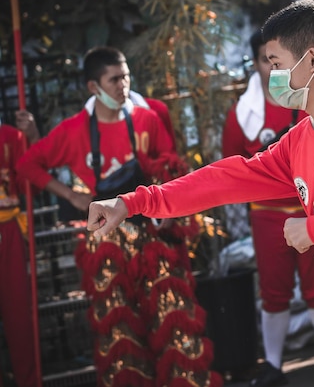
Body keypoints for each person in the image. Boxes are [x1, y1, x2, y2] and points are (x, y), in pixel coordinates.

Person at [87, 0, 314, 387]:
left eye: (275, 63)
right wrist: (133, 202)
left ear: (310, 62)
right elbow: (226, 179)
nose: (270, 74)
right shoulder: (303, 138)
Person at [16, 46, 222, 387]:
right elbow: (28, 164)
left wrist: (168, 206)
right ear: (93, 87)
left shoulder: (147, 119)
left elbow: (170, 168)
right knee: (120, 337)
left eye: (125, 76)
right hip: (105, 246)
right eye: (113, 79)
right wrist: (69, 195)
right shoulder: (73, 131)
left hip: (153, 239)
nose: (122, 85)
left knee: (175, 324)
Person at [222, 29, 314, 387]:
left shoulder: (308, 97)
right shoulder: (242, 112)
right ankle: (272, 364)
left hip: (309, 209)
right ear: (254, 63)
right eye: (264, 60)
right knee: (273, 291)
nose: (272, 67)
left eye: (277, 59)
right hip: (265, 214)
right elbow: (231, 164)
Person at [0, 111, 39, 387]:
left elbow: (31, 183)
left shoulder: (11, 138)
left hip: (7, 229)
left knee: (18, 315)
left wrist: (33, 138)